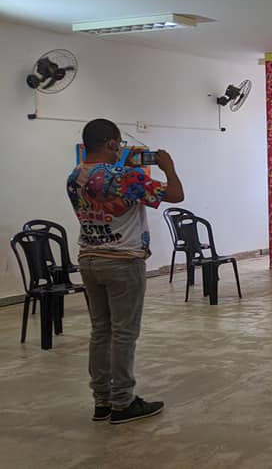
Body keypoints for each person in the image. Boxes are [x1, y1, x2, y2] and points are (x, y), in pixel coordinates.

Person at [66, 118, 184, 424]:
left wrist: (122, 164)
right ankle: (123, 402)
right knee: (124, 333)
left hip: (89, 258)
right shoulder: (127, 178)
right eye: (118, 143)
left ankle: (102, 400)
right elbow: (176, 194)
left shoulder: (74, 176)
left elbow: (101, 183)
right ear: (111, 143)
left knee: (100, 331)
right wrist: (168, 167)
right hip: (122, 261)